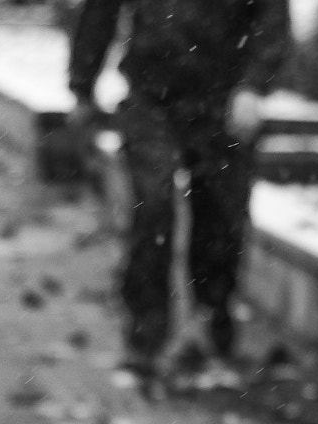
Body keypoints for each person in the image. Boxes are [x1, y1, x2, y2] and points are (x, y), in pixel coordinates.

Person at [66, 0, 290, 376]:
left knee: (221, 214)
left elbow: (271, 15)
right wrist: (82, 85)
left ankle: (213, 321)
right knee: (153, 206)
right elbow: (99, 12)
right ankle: (146, 336)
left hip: (223, 97)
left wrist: (253, 84)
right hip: (151, 97)